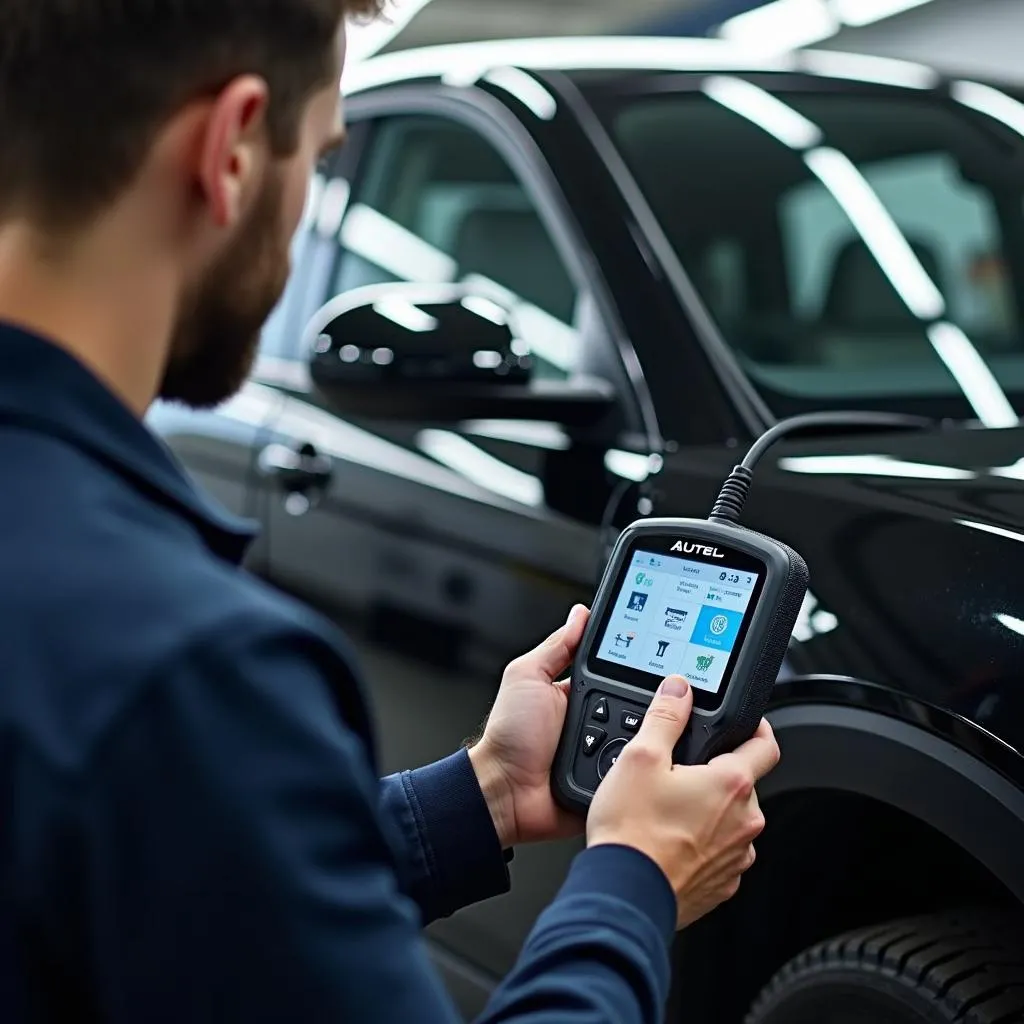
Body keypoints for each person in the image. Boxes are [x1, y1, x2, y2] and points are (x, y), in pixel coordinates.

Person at [0, 2, 780, 1022]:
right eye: (319, 164)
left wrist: (482, 796)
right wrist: (633, 878)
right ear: (232, 149)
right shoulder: (186, 672)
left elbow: (181, 887)